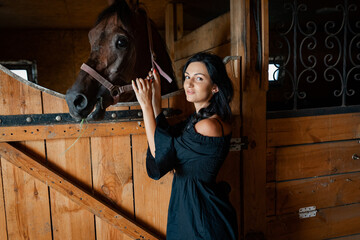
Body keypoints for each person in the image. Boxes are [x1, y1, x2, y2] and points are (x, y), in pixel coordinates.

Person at [132, 52, 238, 240]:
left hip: (201, 216)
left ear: (215, 87)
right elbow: (167, 142)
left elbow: (161, 155)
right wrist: (156, 99)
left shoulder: (208, 126)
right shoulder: (198, 120)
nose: (188, 84)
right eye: (187, 77)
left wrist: (146, 105)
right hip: (191, 207)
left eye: (199, 78)